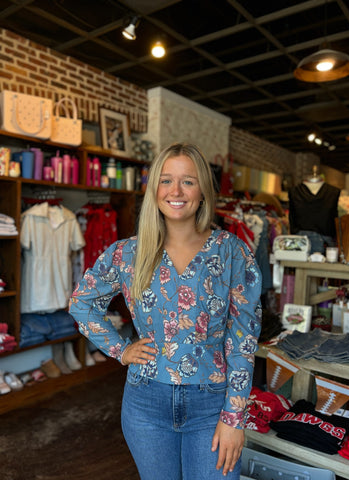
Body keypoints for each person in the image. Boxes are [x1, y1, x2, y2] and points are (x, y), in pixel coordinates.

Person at [69, 143, 262, 479]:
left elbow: (244, 337)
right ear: (153, 190)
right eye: (166, 180)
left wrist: (234, 417)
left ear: (202, 190)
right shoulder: (127, 253)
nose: (176, 191)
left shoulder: (230, 251)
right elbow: (81, 303)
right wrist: (121, 349)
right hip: (145, 403)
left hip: (211, 404)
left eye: (188, 181)